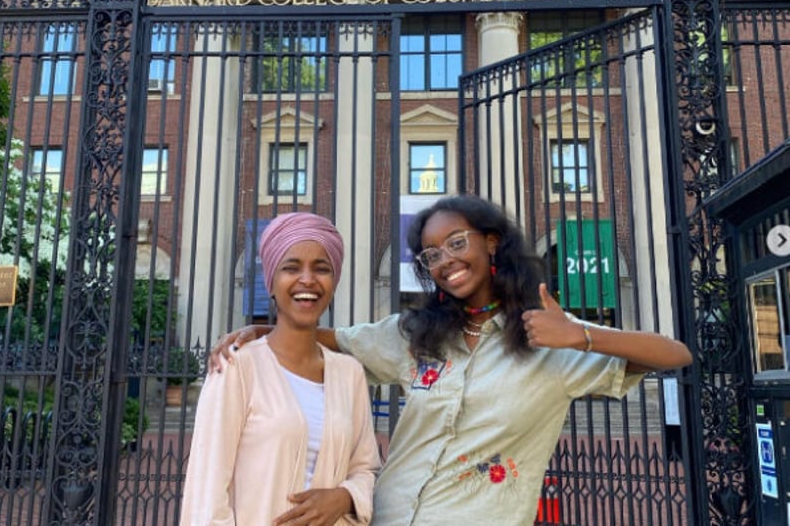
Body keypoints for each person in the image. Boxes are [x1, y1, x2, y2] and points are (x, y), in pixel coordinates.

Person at [209, 195, 693, 525]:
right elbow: (329, 337)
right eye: (430, 256)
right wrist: (262, 329)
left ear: (491, 241)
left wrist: (581, 335)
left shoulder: (550, 338)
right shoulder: (413, 336)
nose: (444, 261)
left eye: (456, 243)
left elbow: (675, 354)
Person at [181, 212, 380, 526]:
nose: (307, 279)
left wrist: (344, 497)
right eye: (291, 267)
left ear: (333, 282)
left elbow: (365, 468)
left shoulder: (349, 374)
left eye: (321, 269)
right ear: (271, 281)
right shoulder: (237, 366)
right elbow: (207, 486)